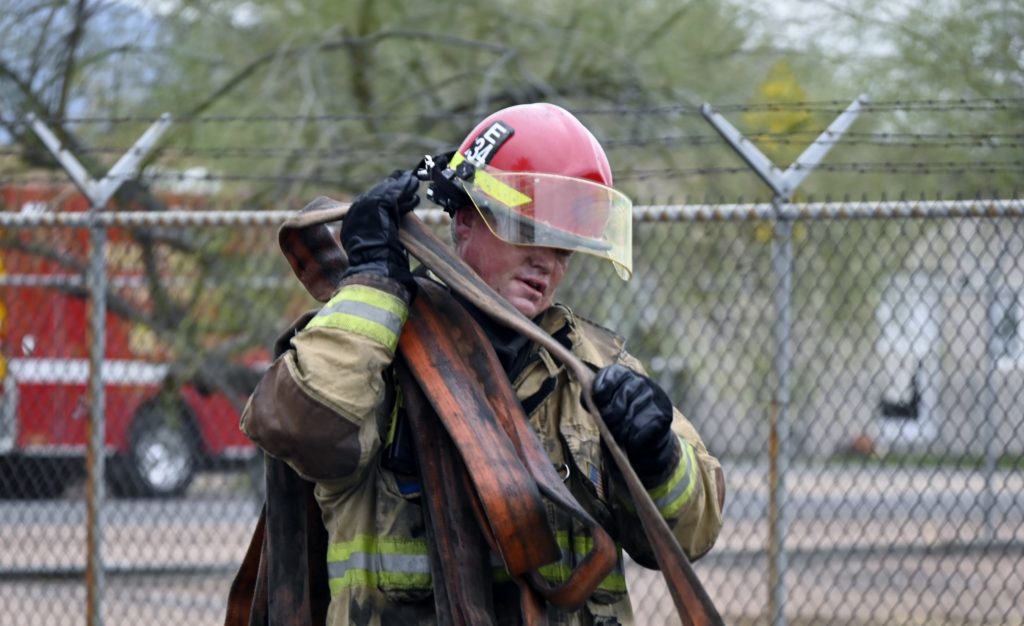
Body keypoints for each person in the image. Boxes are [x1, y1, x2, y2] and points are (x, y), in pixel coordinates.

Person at [240, 102, 725, 626]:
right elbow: (300, 428)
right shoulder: (376, 351)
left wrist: (658, 458)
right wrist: (372, 286)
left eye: (564, 246)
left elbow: (691, 536)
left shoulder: (595, 370)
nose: (547, 260)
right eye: (528, 231)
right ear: (466, 220)